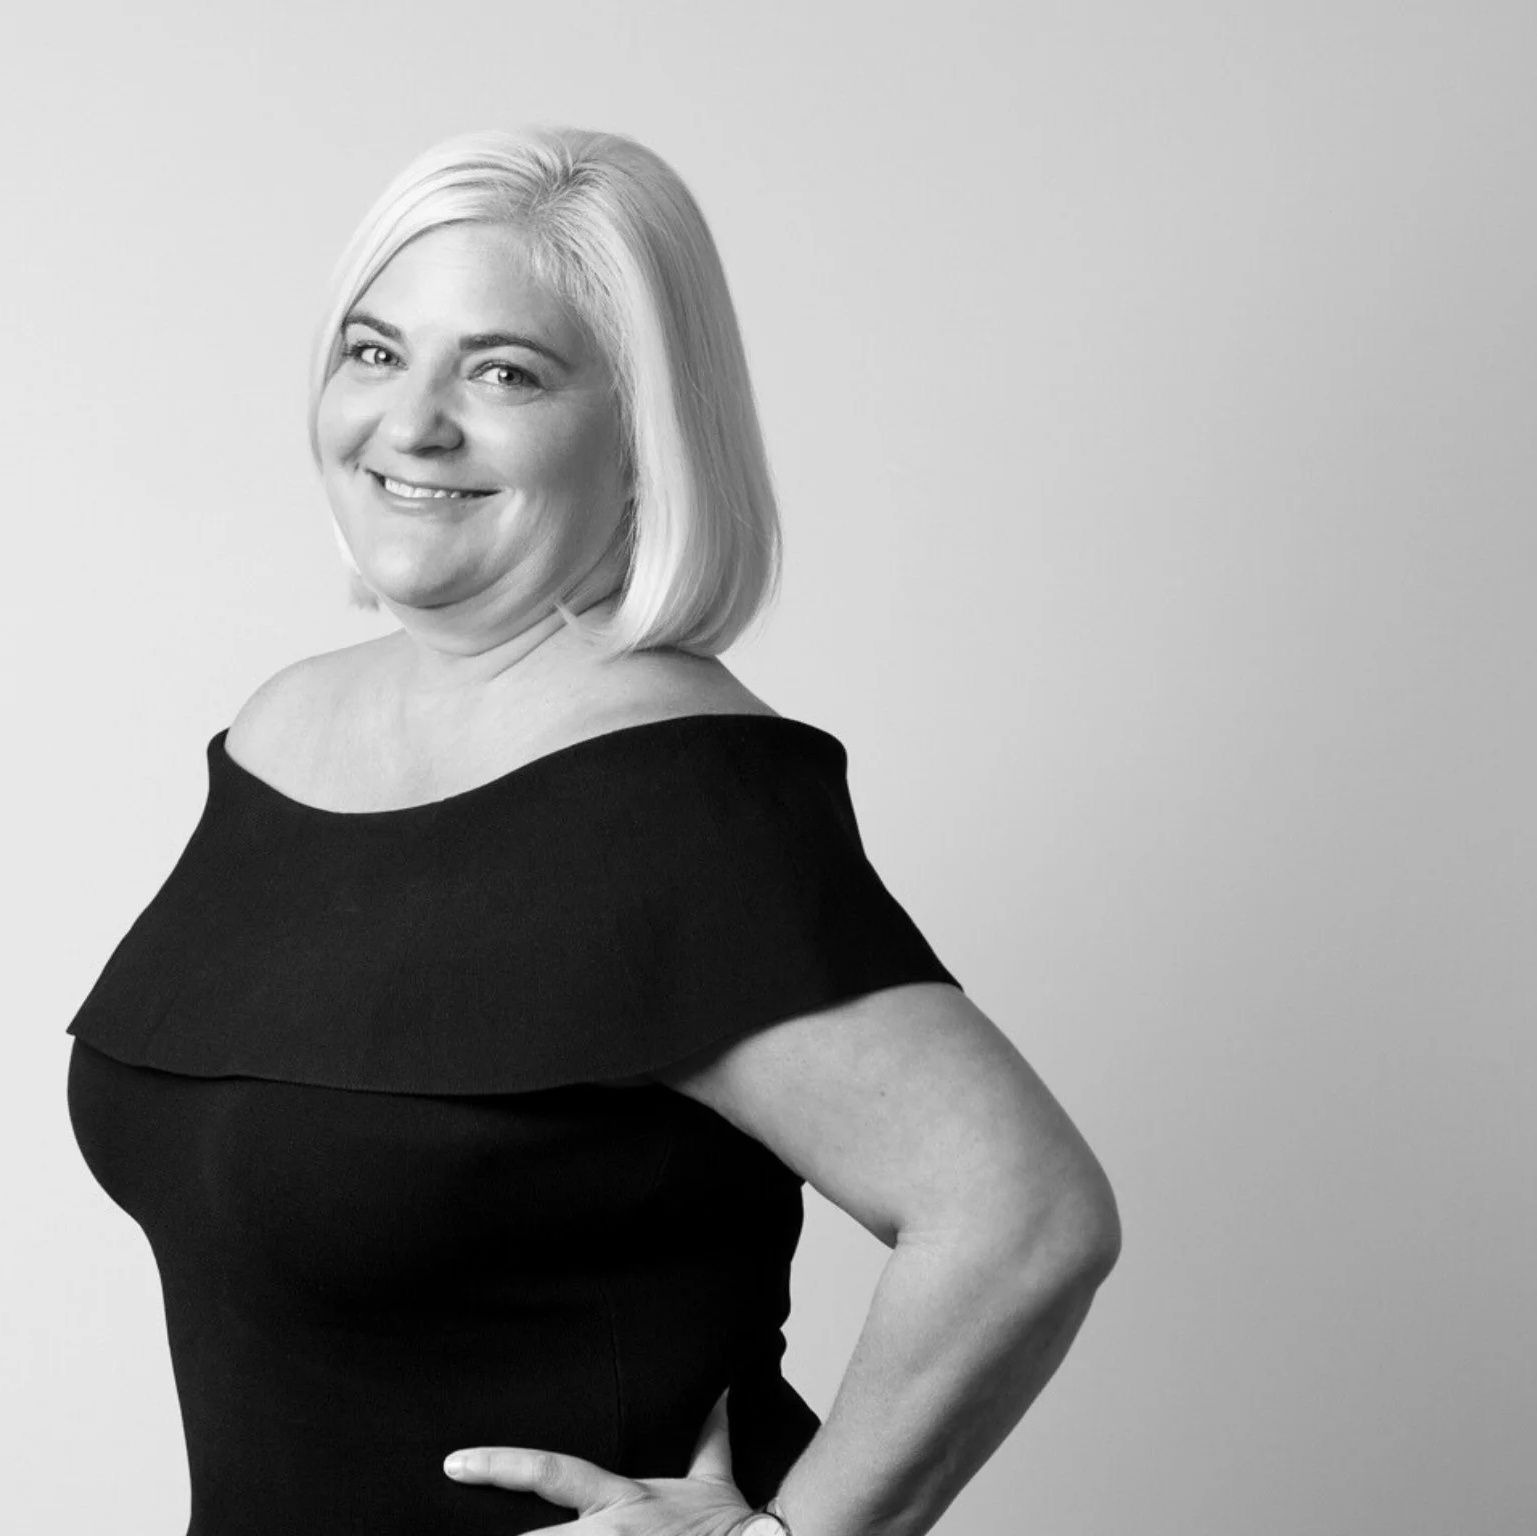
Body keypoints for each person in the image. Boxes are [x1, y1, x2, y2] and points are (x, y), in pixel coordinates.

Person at [65, 125, 1120, 1536]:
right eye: (375, 353)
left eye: (504, 372)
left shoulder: (680, 792)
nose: (414, 421)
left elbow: (1026, 1216)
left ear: (643, 432)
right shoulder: (280, 733)